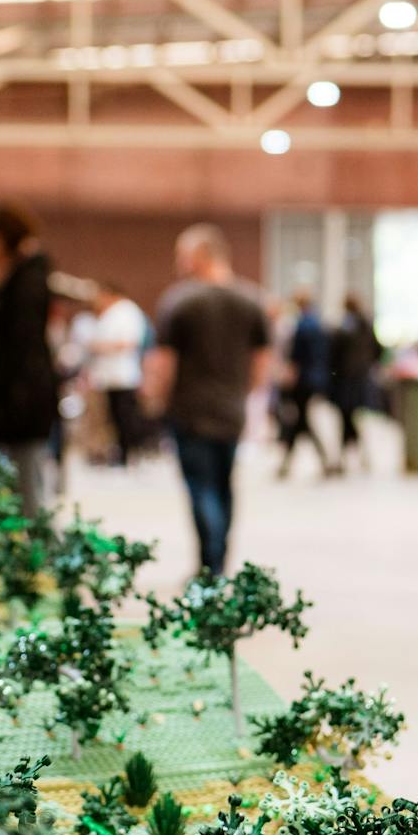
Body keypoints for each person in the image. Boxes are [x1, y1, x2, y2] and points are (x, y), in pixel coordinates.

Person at [144, 224, 272, 577]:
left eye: (182, 256)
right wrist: (246, 396)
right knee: (223, 486)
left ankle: (209, 565)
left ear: (199, 256)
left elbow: (165, 362)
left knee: (201, 488)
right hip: (231, 410)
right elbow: (262, 361)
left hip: (190, 411)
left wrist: (155, 399)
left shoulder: (180, 301)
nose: (179, 264)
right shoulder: (252, 300)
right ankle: (218, 562)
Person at [0, 202, 58, 514]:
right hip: (13, 399)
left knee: (29, 490)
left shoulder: (28, 278)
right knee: (22, 486)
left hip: (21, 402)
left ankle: (42, 557)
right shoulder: (17, 274)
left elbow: (20, 343)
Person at [87, 280, 150, 466]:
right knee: (114, 417)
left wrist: (101, 347)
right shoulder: (111, 313)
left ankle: (129, 453)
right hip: (109, 375)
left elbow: (130, 342)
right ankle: (119, 452)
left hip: (123, 375)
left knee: (125, 417)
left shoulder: (128, 311)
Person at [277, 291, 338, 479]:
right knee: (300, 419)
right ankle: (288, 464)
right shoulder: (320, 324)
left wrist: (288, 378)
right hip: (318, 377)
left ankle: (323, 460)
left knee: (301, 419)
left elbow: (295, 357)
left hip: (304, 379)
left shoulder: (302, 326)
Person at [330, 294, 381, 469]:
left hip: (347, 379)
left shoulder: (346, 326)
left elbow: (335, 353)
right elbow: (378, 350)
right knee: (351, 416)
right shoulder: (367, 325)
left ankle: (346, 456)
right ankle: (358, 454)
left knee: (346, 417)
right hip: (362, 377)